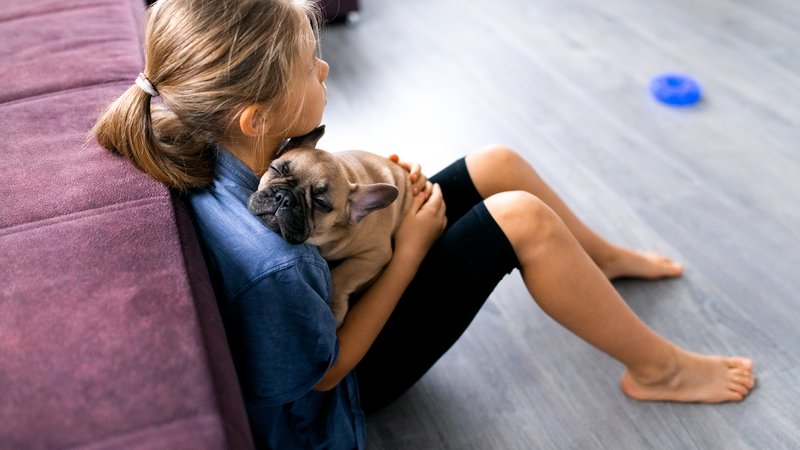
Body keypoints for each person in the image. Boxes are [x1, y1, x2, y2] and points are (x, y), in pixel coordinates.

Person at [92, 0, 755, 448]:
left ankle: (600, 258)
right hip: (346, 387)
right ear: (255, 116)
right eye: (308, 64)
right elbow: (321, 377)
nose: (324, 67)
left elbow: (315, 197)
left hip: (337, 276)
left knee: (495, 163)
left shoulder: (203, 136)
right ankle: (659, 370)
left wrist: (370, 190)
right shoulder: (272, 262)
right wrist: (409, 249)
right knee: (519, 220)